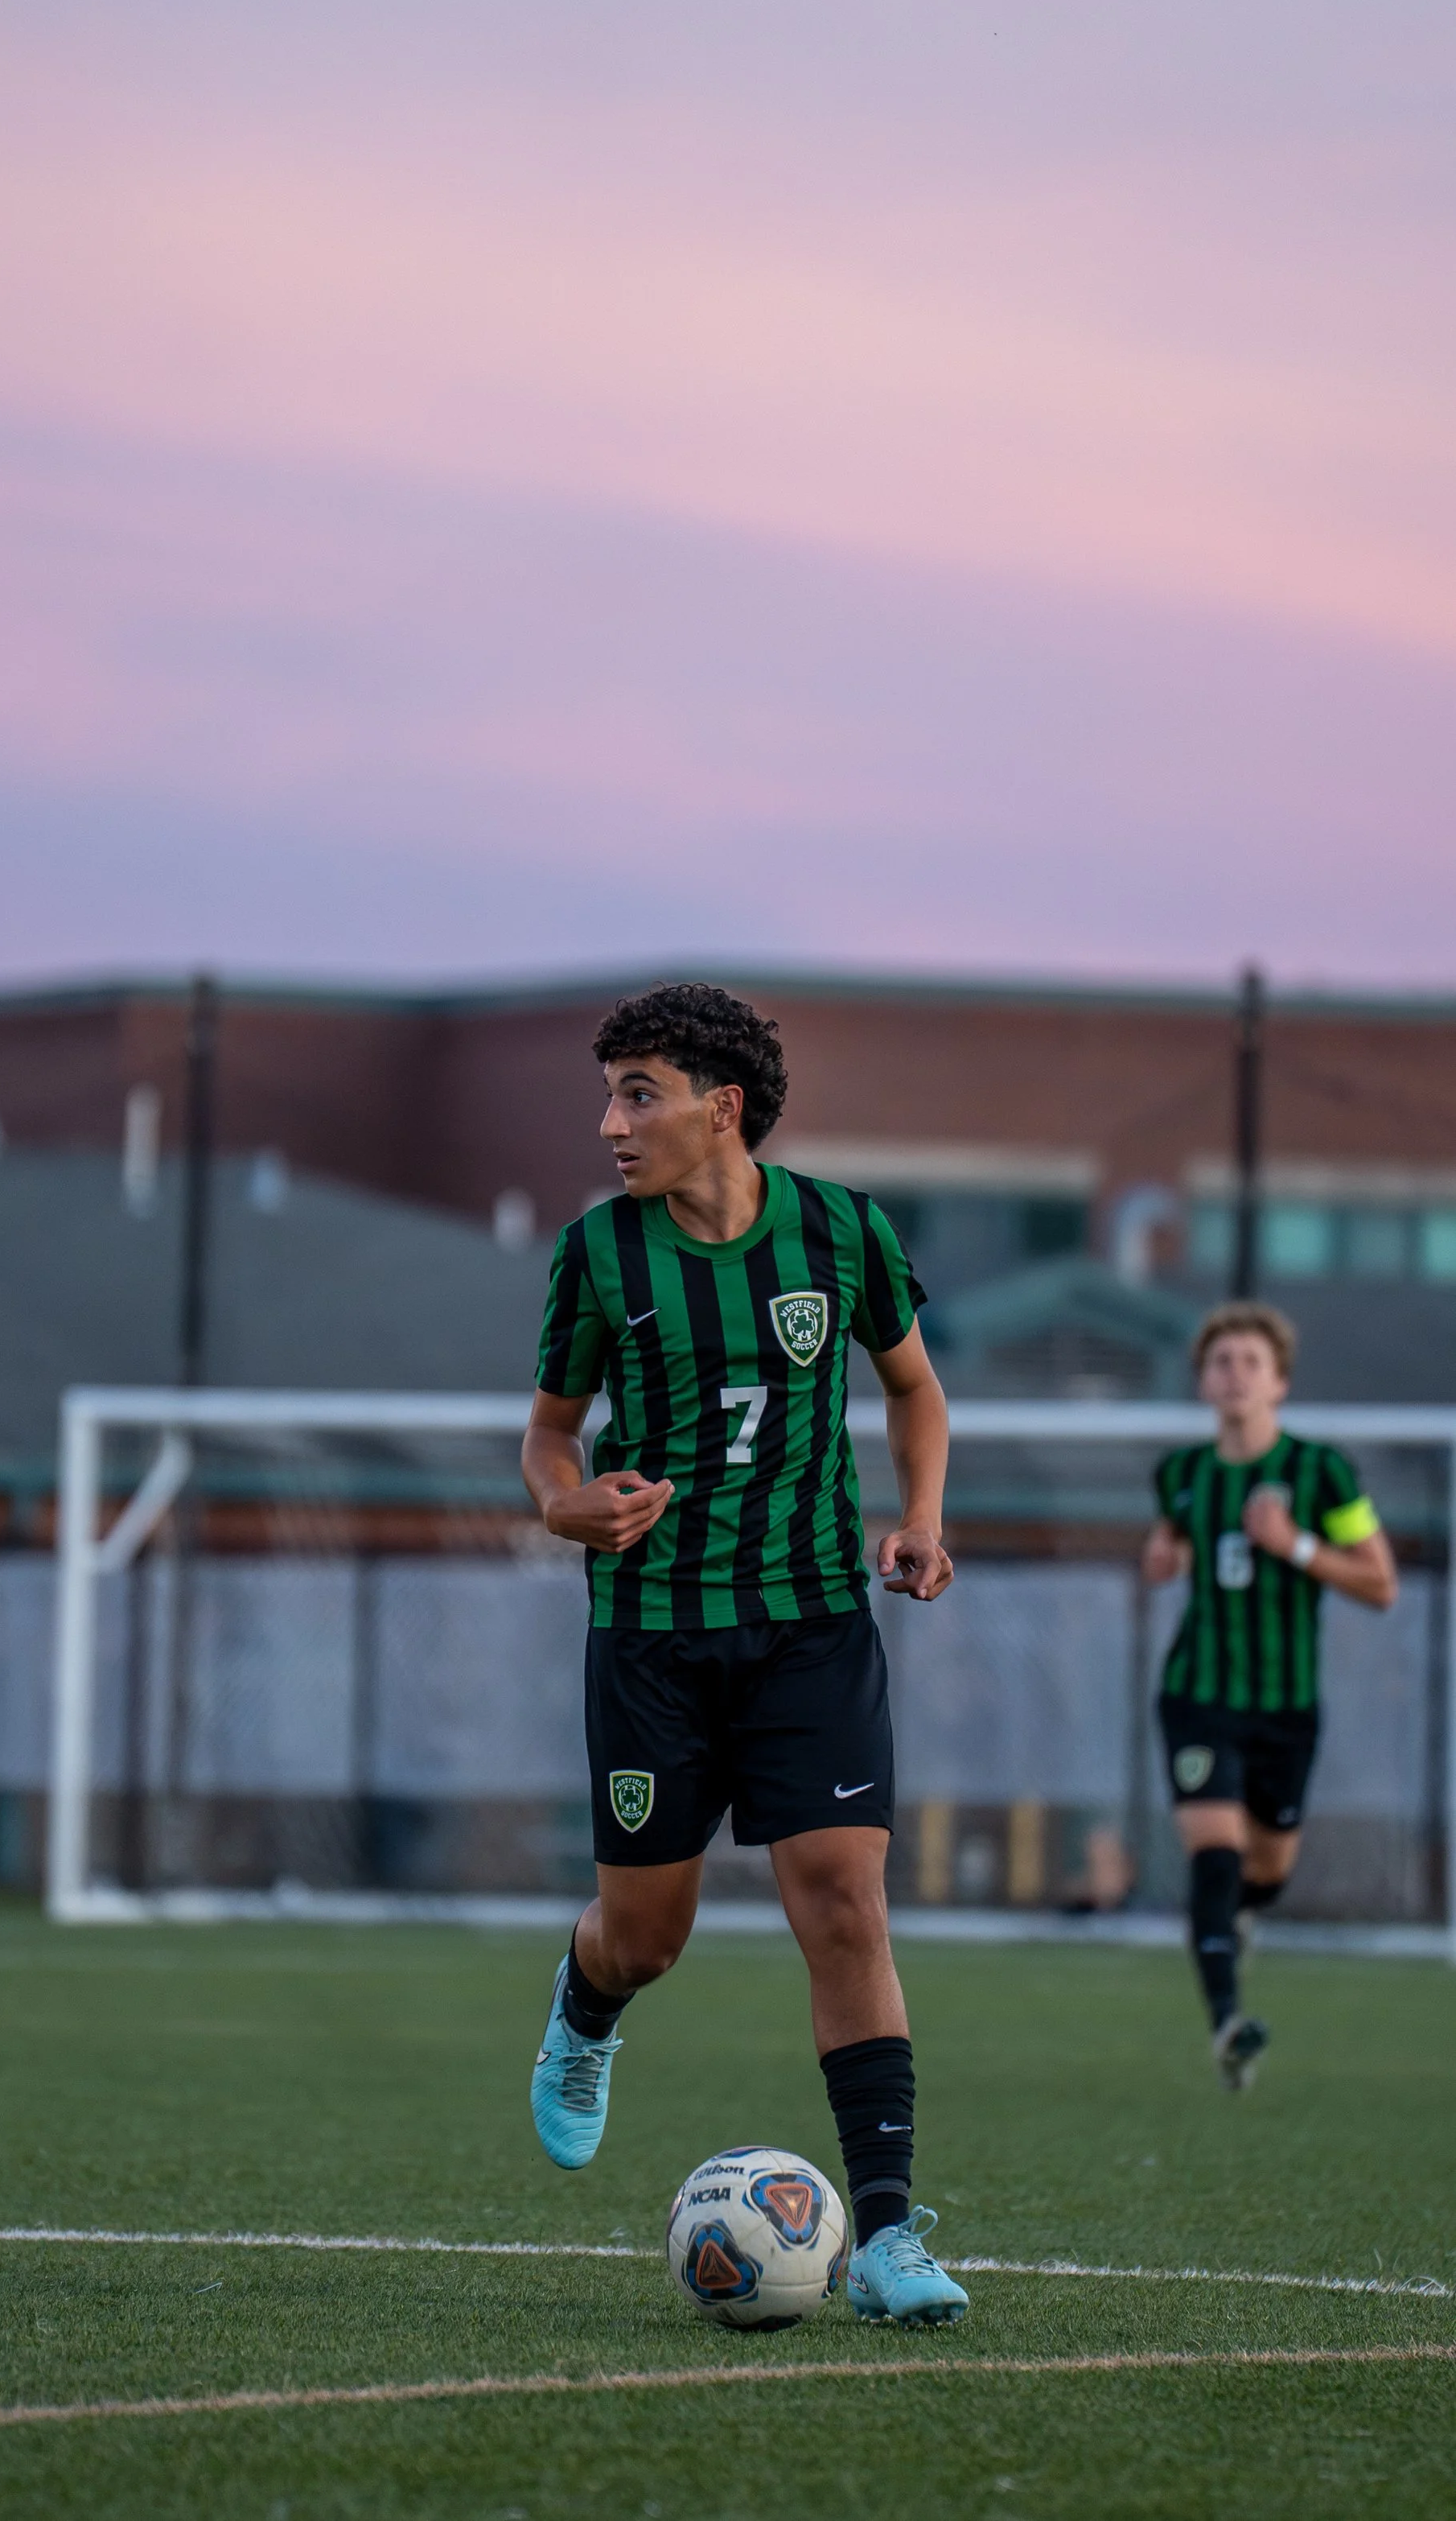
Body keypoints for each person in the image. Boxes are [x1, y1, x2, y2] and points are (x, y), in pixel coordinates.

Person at [522, 982, 966, 2329]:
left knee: (844, 1904)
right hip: (653, 1638)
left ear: (722, 1105)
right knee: (648, 1934)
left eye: (636, 1092)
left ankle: (887, 2235)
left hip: (815, 1622)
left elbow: (915, 1387)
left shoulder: (842, 1230)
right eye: (607, 1093)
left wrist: (923, 1518)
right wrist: (565, 1502)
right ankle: (587, 2007)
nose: (611, 1121)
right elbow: (550, 1433)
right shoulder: (601, 1254)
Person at [1142, 1301, 1396, 2088]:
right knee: (1214, 1857)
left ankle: (1243, 1919)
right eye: (1220, 1362)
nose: (1234, 1375)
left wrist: (1297, 1545)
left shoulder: (1324, 1471)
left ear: (1278, 1381)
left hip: (1285, 1704)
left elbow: (1380, 1583)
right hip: (1197, 1693)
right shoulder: (1180, 1474)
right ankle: (1227, 2024)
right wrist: (1163, 1555)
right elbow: (1171, 1544)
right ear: (1202, 1381)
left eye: (1250, 1362)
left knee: (1266, 1871)